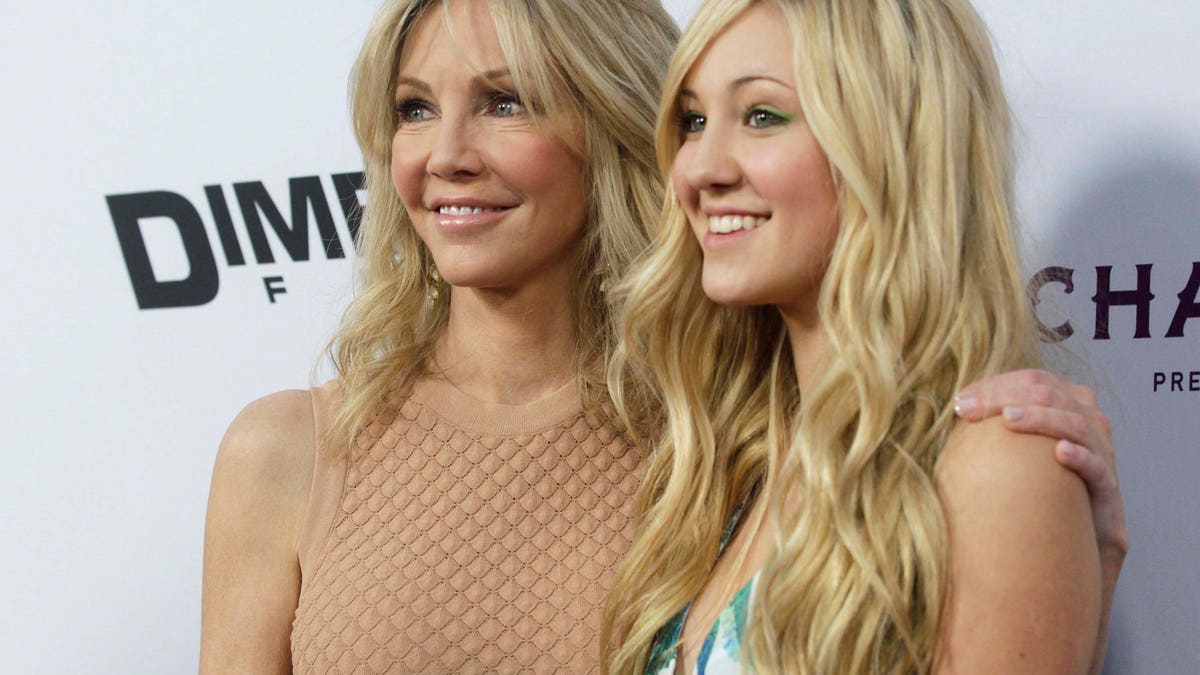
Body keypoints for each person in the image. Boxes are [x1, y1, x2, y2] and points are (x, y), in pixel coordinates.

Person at [199, 0, 1125, 673]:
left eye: (506, 99)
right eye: (412, 108)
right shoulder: (737, 448)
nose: (444, 153)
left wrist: (1063, 555)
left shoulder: (705, 448)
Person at [602, 0, 1124, 673]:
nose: (702, 167)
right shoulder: (730, 466)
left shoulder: (993, 466)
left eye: (762, 115)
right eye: (694, 121)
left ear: (889, 140)